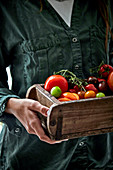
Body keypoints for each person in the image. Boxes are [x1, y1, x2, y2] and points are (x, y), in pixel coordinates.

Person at [0, 0, 113, 169]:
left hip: (101, 158)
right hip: (33, 159)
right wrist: (12, 105)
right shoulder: (8, 9)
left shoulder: (104, 4)